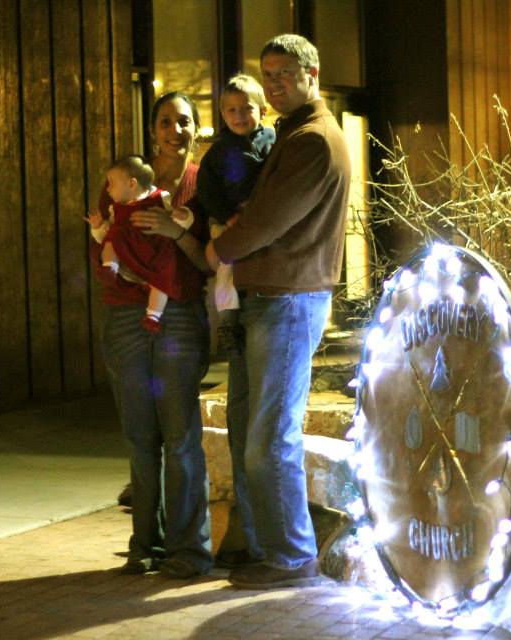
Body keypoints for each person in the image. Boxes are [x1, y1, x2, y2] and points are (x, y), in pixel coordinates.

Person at [206, 34, 351, 589]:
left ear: (312, 74)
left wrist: (221, 249)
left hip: (287, 299)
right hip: (271, 297)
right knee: (253, 431)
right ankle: (269, 547)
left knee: (270, 437)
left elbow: (268, 218)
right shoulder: (293, 133)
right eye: (267, 74)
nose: (274, 83)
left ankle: (290, 555)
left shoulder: (311, 140)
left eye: (285, 73)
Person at [91, 91, 213, 580]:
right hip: (125, 317)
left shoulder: (202, 184)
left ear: (195, 129)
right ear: (152, 129)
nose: (174, 130)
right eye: (165, 121)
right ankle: (144, 544)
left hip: (178, 315)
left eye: (183, 121)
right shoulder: (124, 179)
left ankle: (188, 549)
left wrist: (175, 231)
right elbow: (101, 245)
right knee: (140, 436)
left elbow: (210, 258)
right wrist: (122, 275)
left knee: (180, 435)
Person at [196, 74, 275, 356]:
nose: (239, 116)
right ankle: (228, 323)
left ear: (263, 111)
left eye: (246, 108)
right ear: (222, 114)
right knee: (226, 270)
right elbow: (206, 190)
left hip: (261, 219)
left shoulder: (273, 140)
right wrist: (228, 215)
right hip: (227, 219)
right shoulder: (218, 151)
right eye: (232, 110)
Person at [86, 155, 194, 333]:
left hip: (156, 253)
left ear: (132, 184)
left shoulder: (160, 198)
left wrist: (183, 216)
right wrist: (98, 227)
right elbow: (103, 237)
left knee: (161, 283)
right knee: (113, 238)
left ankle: (153, 316)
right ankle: (109, 267)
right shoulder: (115, 209)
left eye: (111, 184)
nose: (108, 189)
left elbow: (177, 220)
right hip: (128, 256)